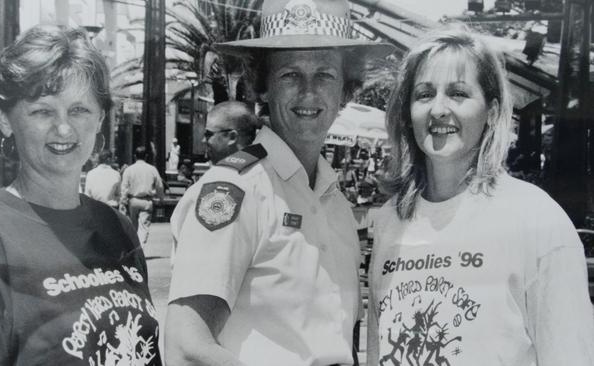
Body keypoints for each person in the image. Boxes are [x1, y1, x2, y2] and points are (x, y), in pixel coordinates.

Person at [164, 0, 393, 365]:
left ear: (345, 91)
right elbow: (185, 348)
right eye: (289, 74)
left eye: (325, 75)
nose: (308, 92)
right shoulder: (234, 191)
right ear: (263, 87)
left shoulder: (335, 204)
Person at [367, 27, 594, 366]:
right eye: (424, 94)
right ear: (406, 113)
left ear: (491, 112)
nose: (439, 110)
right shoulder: (389, 220)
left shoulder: (535, 219)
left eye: (458, 93)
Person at [0, 25, 162, 365]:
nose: (63, 129)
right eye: (42, 111)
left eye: (79, 110)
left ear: (100, 119)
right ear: (4, 118)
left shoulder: (117, 227)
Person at [120, 146, 164, 246]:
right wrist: (161, 199)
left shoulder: (129, 170)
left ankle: (134, 248)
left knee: (133, 227)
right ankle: (140, 250)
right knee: (144, 228)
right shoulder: (152, 169)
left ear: (135, 156)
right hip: (146, 201)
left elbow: (124, 187)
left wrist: (123, 202)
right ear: (146, 156)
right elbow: (159, 185)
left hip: (133, 201)